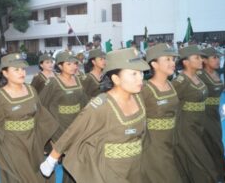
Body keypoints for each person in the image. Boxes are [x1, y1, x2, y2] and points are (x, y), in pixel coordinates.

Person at [40, 48, 150, 183]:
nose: (140, 78)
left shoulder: (139, 97)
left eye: (140, 73)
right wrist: (52, 158)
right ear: (116, 78)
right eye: (133, 74)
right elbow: (76, 129)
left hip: (135, 167)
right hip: (110, 171)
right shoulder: (102, 104)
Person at [0, 53, 58, 183]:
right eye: (16, 69)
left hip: (33, 140)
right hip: (11, 144)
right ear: (5, 73)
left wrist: (54, 139)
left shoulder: (31, 90)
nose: (21, 72)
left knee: (38, 172)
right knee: (24, 176)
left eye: (23, 69)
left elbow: (41, 114)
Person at [39, 51, 89, 183]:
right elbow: (41, 105)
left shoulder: (78, 80)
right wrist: (50, 134)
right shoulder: (53, 82)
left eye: (75, 63)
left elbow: (85, 103)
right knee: (69, 161)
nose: (73, 66)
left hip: (77, 127)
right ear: (60, 66)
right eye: (69, 64)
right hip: (60, 129)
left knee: (75, 162)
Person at [172, 45, 219, 182]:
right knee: (201, 159)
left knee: (196, 158)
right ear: (186, 62)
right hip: (187, 127)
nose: (201, 60)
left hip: (200, 124)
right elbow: (171, 102)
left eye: (201, 57)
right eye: (196, 57)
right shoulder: (180, 81)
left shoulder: (197, 77)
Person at [141, 43, 182, 182]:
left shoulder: (171, 84)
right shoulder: (145, 89)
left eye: (173, 59)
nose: (173, 63)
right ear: (154, 64)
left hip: (171, 141)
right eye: (167, 59)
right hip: (153, 146)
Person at [198, 47, 225, 182]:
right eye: (214, 57)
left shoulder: (216, 74)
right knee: (212, 143)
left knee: (216, 143)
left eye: (218, 57)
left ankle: (219, 173)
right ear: (204, 60)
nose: (217, 60)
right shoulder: (199, 76)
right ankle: (213, 174)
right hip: (204, 114)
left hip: (215, 113)